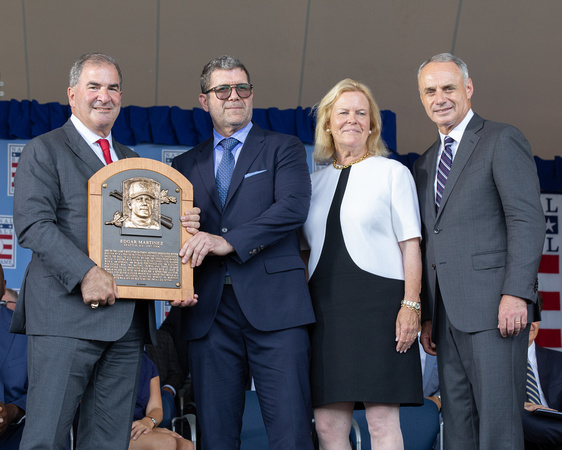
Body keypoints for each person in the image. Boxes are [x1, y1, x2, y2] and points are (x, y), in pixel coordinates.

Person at [11, 52, 193, 450]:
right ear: (72, 94)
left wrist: (178, 271)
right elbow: (32, 224)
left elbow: (148, 238)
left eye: (112, 87)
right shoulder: (45, 150)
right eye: (93, 86)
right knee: (46, 438)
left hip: (127, 324)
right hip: (64, 319)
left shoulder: (134, 162)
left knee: (109, 442)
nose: (103, 96)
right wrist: (85, 273)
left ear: (121, 97)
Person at [172, 55, 316, 449]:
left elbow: (291, 209)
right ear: (205, 101)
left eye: (242, 88)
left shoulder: (283, 148)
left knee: (292, 430)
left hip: (277, 308)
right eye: (223, 89)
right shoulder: (185, 164)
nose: (234, 96)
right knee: (216, 435)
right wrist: (175, 276)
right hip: (208, 310)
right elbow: (174, 235)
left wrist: (228, 241)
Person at [413, 53, 545, 449]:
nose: (440, 98)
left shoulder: (501, 138)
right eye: (430, 91)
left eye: (449, 87)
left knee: (499, 427)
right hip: (446, 319)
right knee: (457, 427)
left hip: (495, 311)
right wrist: (427, 314)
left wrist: (517, 293)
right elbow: (429, 242)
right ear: (421, 99)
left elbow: (526, 220)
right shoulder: (424, 163)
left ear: (468, 89)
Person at [300, 79, 423, 450]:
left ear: (372, 125)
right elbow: (304, 252)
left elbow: (411, 246)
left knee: (382, 422)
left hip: (380, 310)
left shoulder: (393, 173)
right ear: (327, 124)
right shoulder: (311, 183)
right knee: (326, 426)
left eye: (361, 113)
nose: (352, 120)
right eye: (343, 112)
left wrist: (411, 305)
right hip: (325, 312)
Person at [129, 352, 194, 450]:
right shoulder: (109, 357)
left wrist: (148, 422)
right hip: (116, 426)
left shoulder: (148, 363)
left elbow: (156, 408)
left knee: (187, 446)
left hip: (141, 424)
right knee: (166, 442)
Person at [523, 308, 562, 449]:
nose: (529, 323)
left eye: (533, 316)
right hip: (523, 428)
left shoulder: (559, 360)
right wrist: (520, 405)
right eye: (522, 316)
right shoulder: (492, 364)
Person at [0, 265, 27, 450]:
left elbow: (42, 390)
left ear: (3, 286)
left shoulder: (26, 330)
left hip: (16, 439)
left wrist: (12, 411)